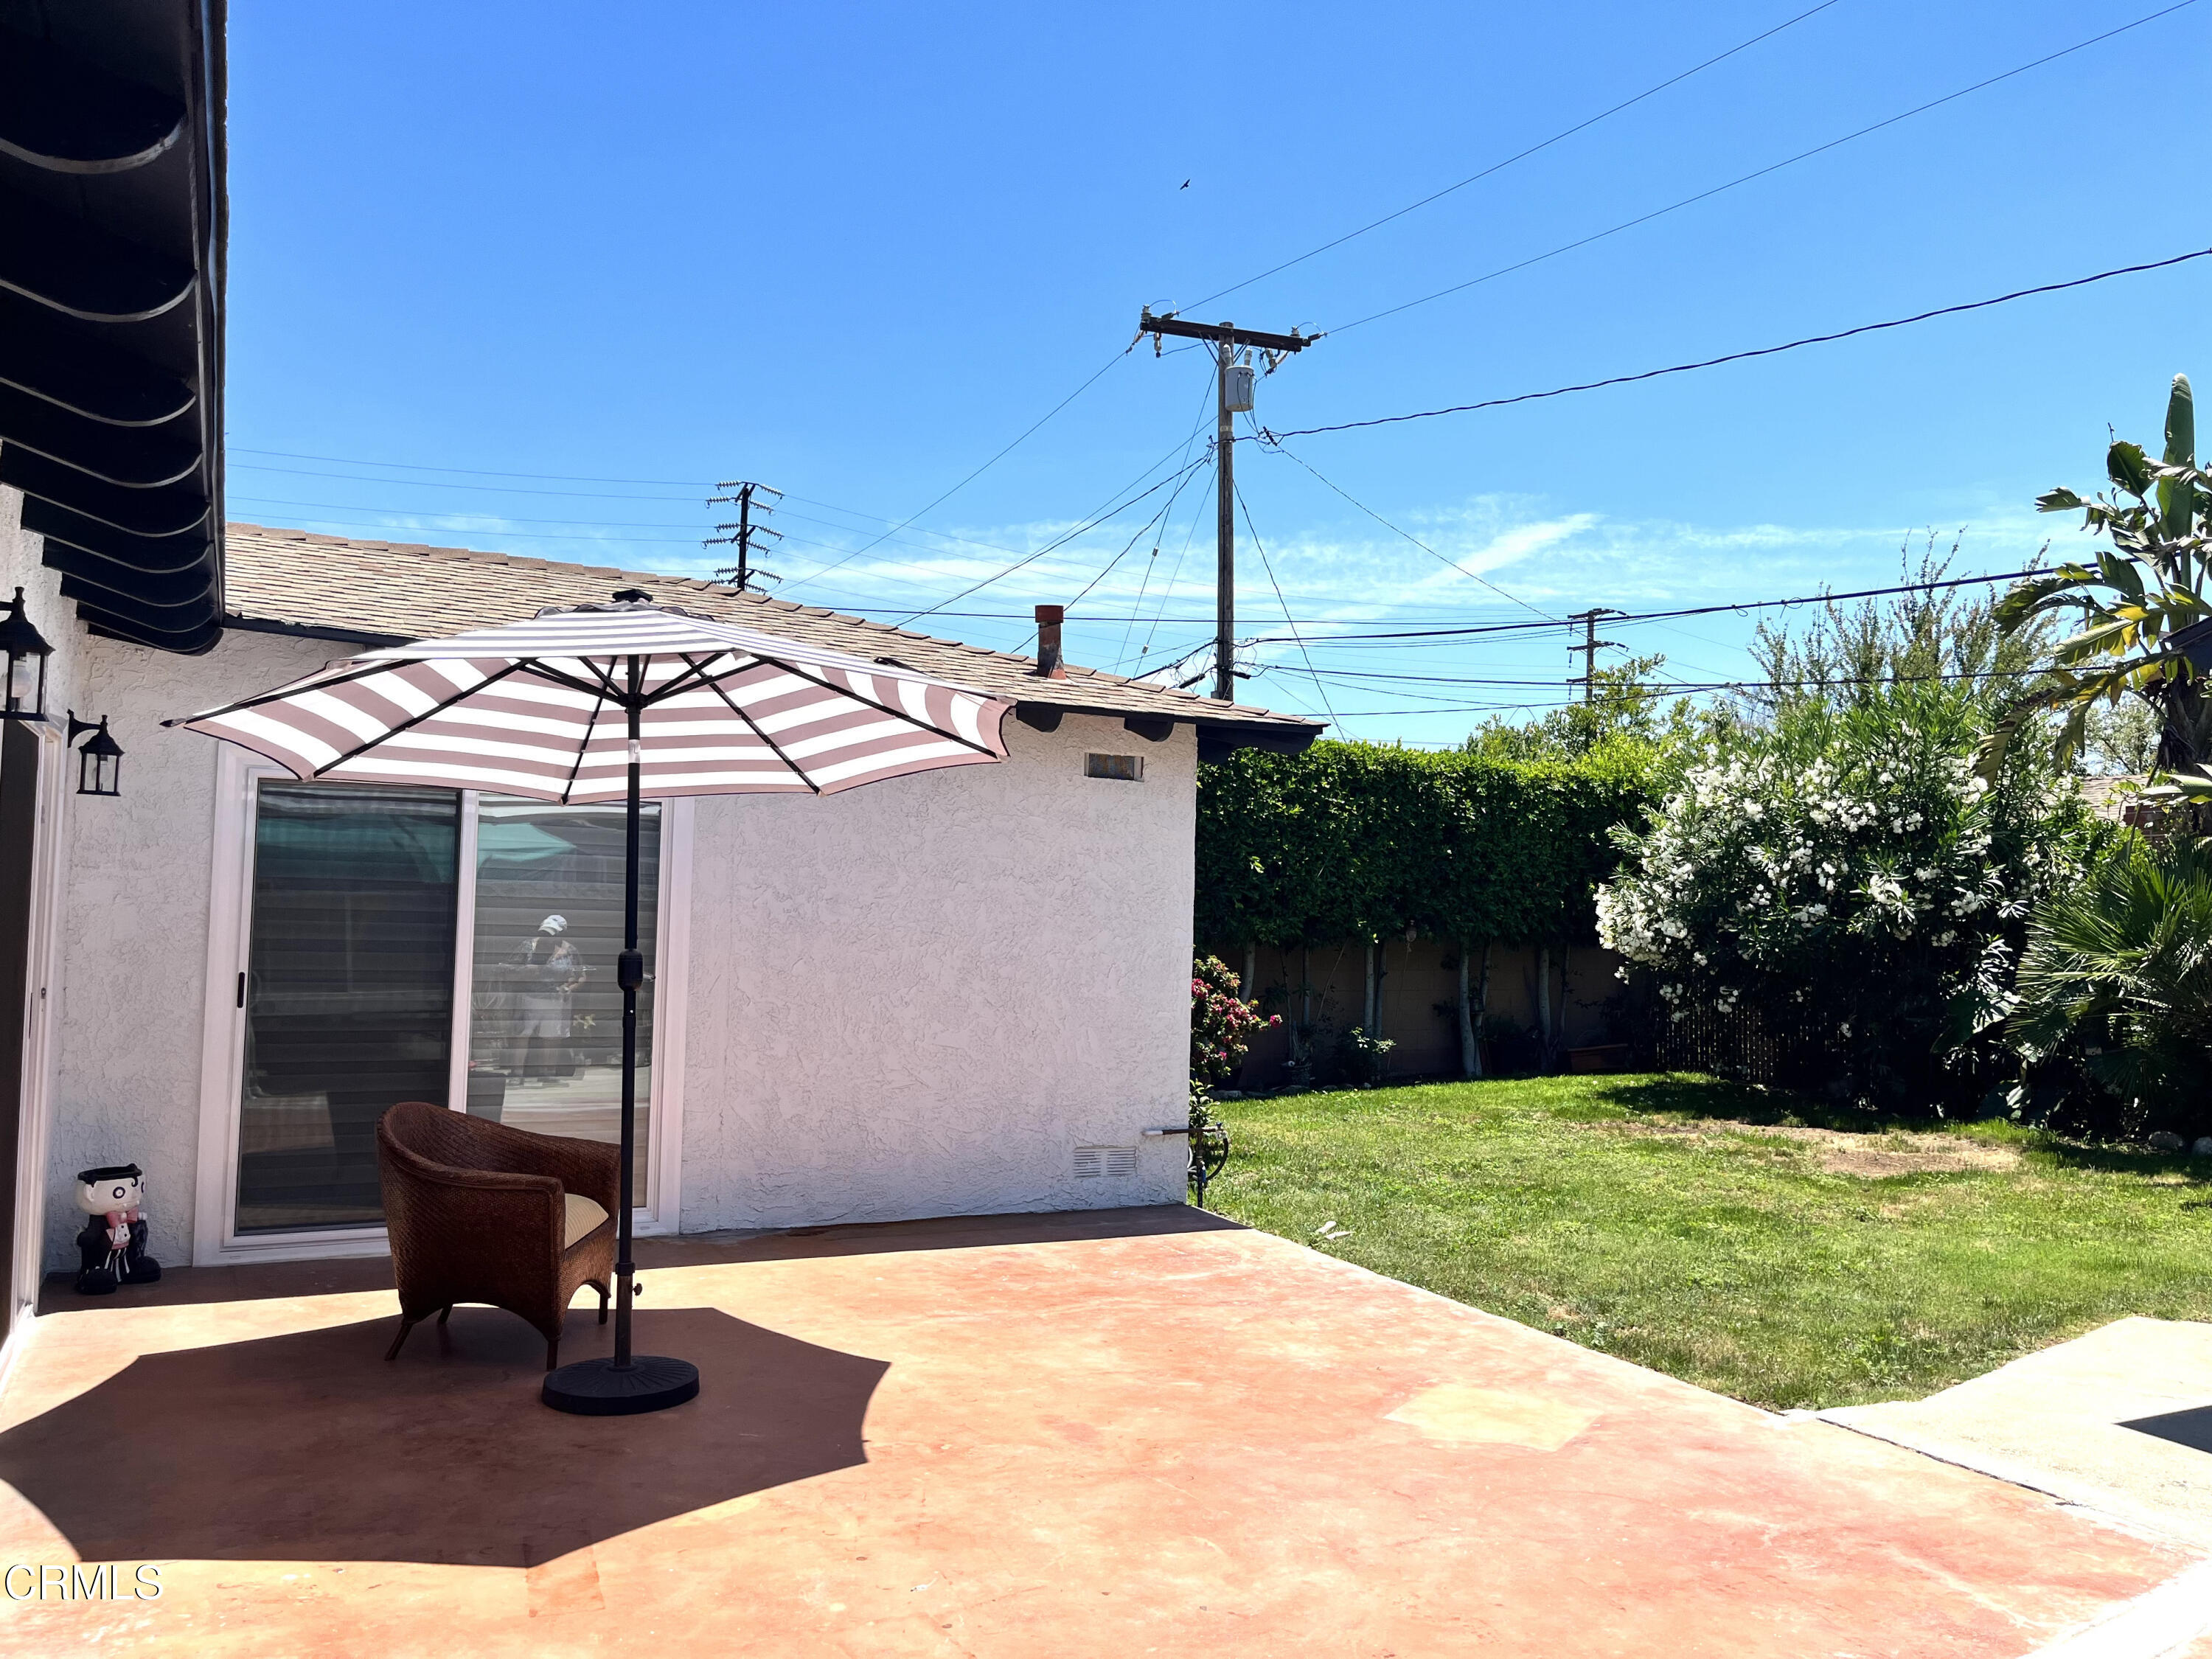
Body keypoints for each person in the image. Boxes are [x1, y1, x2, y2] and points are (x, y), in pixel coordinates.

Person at [512, 914, 587, 1085]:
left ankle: (546, 1073)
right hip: (529, 997)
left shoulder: (570, 951)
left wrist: (568, 988)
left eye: (552, 934)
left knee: (551, 1037)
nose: (547, 937)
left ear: (561, 934)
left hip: (555, 999)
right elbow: (509, 969)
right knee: (523, 1035)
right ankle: (517, 1073)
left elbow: (581, 976)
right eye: (545, 932)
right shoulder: (528, 946)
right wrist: (526, 972)